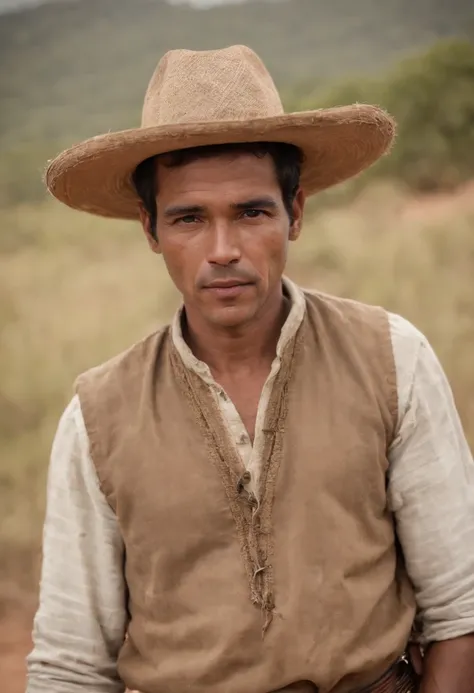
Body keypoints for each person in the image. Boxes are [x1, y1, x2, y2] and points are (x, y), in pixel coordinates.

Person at [26, 45, 474, 693]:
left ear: (295, 213)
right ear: (150, 229)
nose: (223, 250)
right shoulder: (98, 416)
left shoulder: (391, 358)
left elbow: (462, 608)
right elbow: (70, 664)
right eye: (188, 218)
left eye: (252, 211)